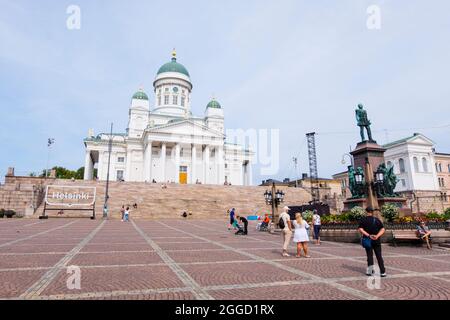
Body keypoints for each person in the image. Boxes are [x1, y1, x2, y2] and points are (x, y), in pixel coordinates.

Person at [358, 207, 386, 277]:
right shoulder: (376, 220)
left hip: (368, 240)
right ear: (372, 212)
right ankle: (382, 272)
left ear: (366, 212)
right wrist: (377, 236)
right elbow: (383, 229)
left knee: (369, 256)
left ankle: (370, 271)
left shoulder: (363, 220)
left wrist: (368, 235)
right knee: (379, 256)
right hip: (376, 240)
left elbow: (360, 229)